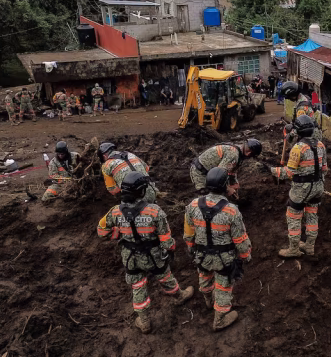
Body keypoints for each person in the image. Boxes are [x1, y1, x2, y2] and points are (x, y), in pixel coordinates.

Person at [97, 172, 194, 334]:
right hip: (153, 256)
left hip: (130, 257)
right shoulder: (154, 211)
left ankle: (144, 321)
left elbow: (101, 231)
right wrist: (171, 250)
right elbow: (166, 240)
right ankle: (179, 296)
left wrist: (118, 234)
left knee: (138, 286)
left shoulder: (114, 212)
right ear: (141, 191)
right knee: (165, 277)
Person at [184, 167, 252, 331]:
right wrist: (246, 255)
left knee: (205, 277)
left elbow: (188, 233)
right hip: (224, 259)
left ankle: (208, 300)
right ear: (225, 185)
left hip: (202, 255)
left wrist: (191, 249)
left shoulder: (193, 205)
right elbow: (240, 239)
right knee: (223, 287)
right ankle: (220, 319)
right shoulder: (231, 210)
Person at [266, 115, 328, 257]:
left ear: (298, 131)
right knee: (312, 215)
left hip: (301, 189)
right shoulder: (320, 145)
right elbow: (324, 169)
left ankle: (293, 249)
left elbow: (288, 173)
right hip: (318, 187)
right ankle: (309, 246)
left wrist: (272, 170)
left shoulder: (298, 148)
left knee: (294, 216)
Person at [189, 139, 262, 194]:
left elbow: (231, 171)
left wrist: (234, 184)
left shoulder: (237, 152)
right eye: (250, 154)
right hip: (200, 172)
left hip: (208, 170)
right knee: (207, 197)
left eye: (251, 155)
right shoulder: (234, 155)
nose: (248, 155)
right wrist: (228, 189)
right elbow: (219, 176)